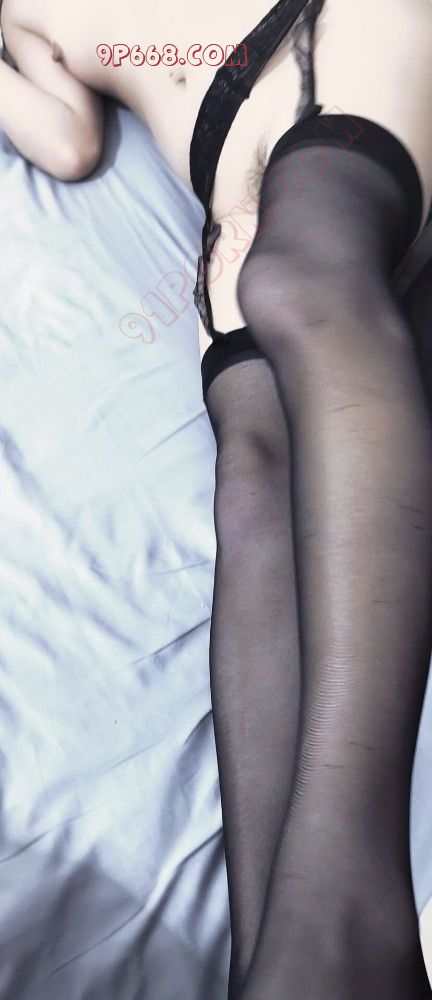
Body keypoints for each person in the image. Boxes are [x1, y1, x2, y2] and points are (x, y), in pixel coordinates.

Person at [1, 1, 432, 996]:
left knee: (295, 284)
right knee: (250, 476)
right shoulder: (17, 27)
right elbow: (66, 144)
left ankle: (346, 920)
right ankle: (268, 965)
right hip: (239, 184)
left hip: (324, 41)